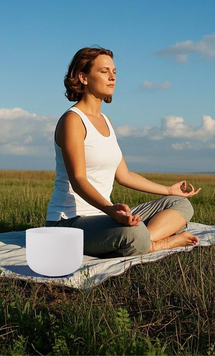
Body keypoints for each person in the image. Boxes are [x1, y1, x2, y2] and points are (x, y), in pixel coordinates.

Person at [45, 47, 201, 258]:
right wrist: (110, 210)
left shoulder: (106, 121)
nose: (112, 78)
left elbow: (124, 175)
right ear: (83, 77)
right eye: (104, 71)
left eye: (114, 72)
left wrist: (168, 191)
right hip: (67, 222)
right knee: (133, 231)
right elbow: (78, 179)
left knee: (180, 204)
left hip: (104, 217)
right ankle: (157, 243)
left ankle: (144, 240)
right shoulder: (73, 120)